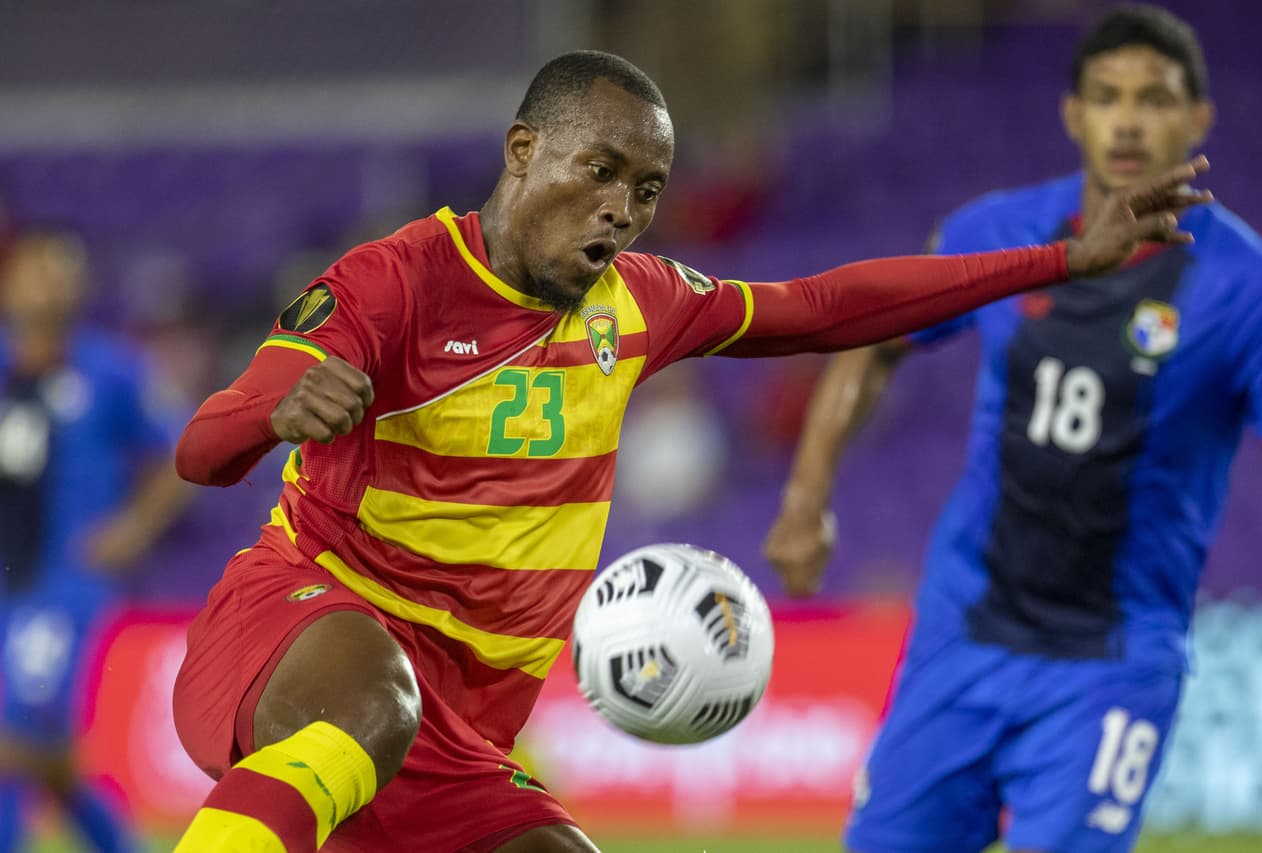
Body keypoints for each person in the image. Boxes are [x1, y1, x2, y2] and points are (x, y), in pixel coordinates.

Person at [170, 49, 1208, 853]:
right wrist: (272, 413)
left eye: (648, 187)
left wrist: (1061, 258)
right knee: (371, 699)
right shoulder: (391, 284)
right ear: (524, 149)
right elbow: (202, 450)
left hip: (460, 719)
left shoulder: (642, 302)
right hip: (299, 631)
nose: (622, 209)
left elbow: (824, 306)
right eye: (601, 171)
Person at [764, 7, 1262, 853]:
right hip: (961, 632)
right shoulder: (993, 232)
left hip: (1110, 664)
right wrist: (806, 492)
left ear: (1199, 119)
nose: (1127, 119)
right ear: (1073, 113)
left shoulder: (1252, 291)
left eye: (1154, 99)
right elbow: (876, 340)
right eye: (1107, 97)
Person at [0, 231, 192, 852]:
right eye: (36, 271)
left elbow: (182, 451)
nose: (48, 284)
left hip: (64, 583)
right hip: (5, 580)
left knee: (17, 735)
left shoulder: (112, 368)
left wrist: (132, 530)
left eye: (62, 272)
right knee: (33, 750)